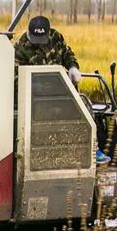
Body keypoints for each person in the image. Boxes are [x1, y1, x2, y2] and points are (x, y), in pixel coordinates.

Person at [14, 15, 110, 164]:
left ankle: (92, 150)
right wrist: (41, 88)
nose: (38, 42)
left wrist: (72, 67)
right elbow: (17, 80)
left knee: (84, 107)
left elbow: (67, 54)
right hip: (36, 99)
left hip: (61, 91)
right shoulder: (20, 48)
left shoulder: (56, 37)